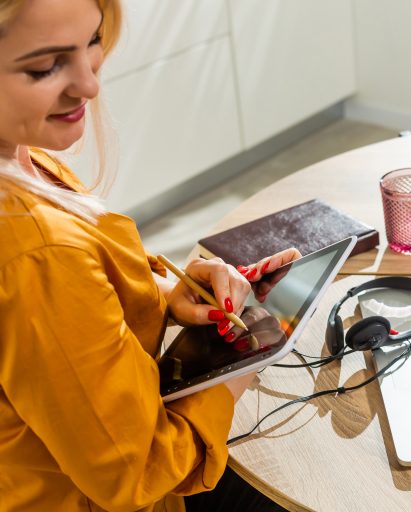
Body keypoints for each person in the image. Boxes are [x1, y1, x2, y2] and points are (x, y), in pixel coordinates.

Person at [0, 1, 296, 510]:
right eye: (45, 67)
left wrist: (166, 294)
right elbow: (137, 469)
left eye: (91, 41)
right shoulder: (37, 251)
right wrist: (253, 359)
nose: (89, 85)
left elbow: (61, 327)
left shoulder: (22, 158)